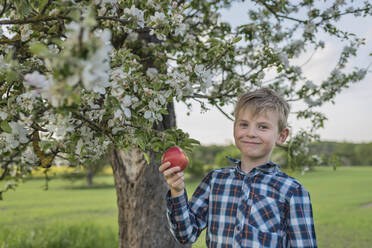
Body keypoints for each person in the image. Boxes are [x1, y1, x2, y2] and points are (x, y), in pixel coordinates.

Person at [159, 88, 317, 247]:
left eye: (262, 127)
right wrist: (177, 191)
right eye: (244, 124)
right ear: (234, 127)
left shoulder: (292, 191)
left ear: (281, 136)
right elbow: (185, 235)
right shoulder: (215, 181)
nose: (251, 133)